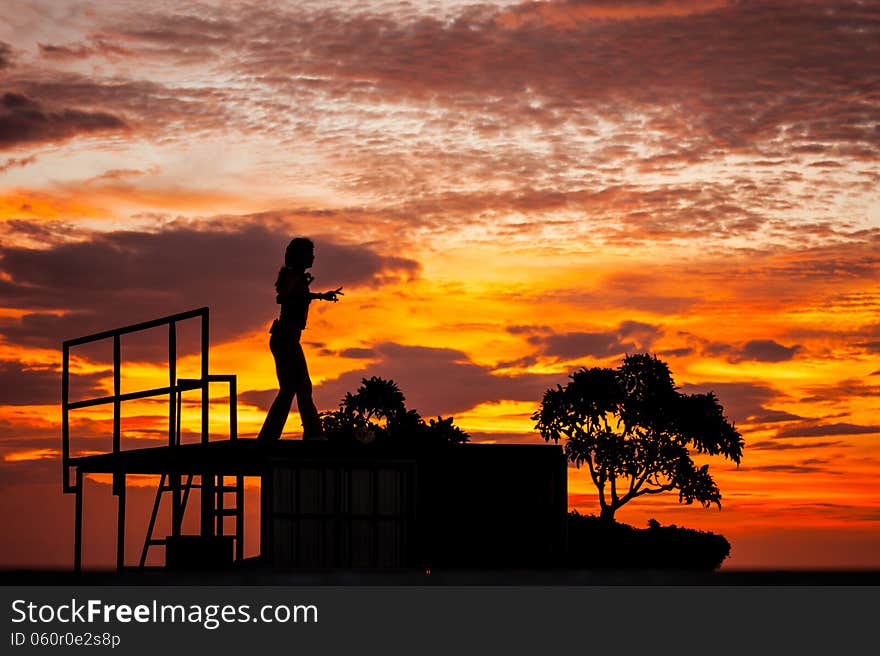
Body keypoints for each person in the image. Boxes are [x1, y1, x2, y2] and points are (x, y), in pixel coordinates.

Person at [257, 237, 342, 441]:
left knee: (292, 389)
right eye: (309, 253)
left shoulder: (296, 277)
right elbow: (284, 296)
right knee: (300, 387)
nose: (313, 256)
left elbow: (290, 295)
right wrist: (316, 296)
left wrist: (320, 296)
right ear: (300, 256)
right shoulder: (293, 277)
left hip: (287, 338)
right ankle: (312, 435)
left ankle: (272, 436)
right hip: (285, 338)